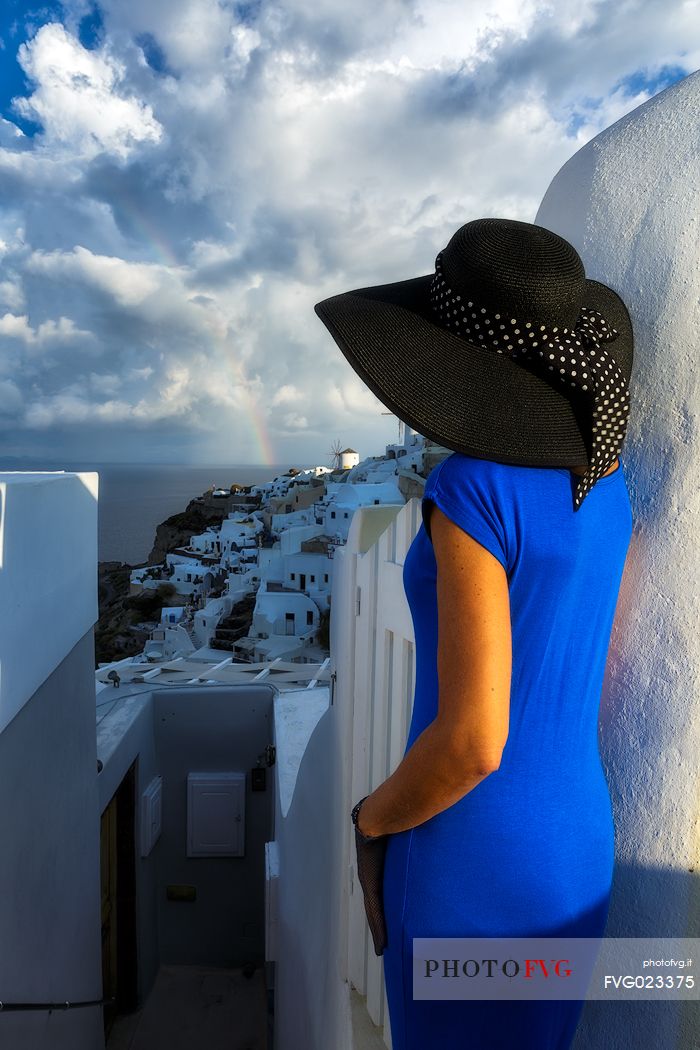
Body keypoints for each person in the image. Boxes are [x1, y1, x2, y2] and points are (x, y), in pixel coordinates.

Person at [314, 217, 634, 1049]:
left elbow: (474, 743)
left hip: (474, 856)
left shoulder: (472, 489)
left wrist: (374, 820)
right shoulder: (608, 480)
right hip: (573, 847)